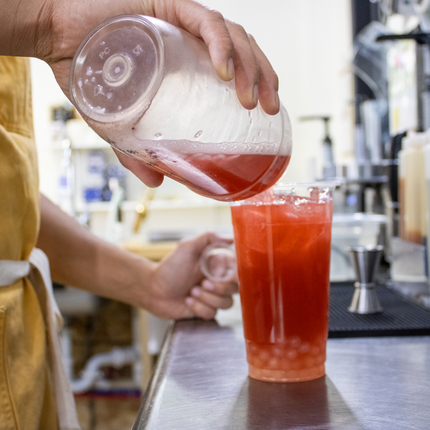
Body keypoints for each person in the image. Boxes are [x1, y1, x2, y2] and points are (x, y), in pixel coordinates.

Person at [0, 0, 280, 429]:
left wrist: (148, 284)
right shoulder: (42, 19)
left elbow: (10, 200)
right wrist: (52, 24)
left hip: (20, 356)